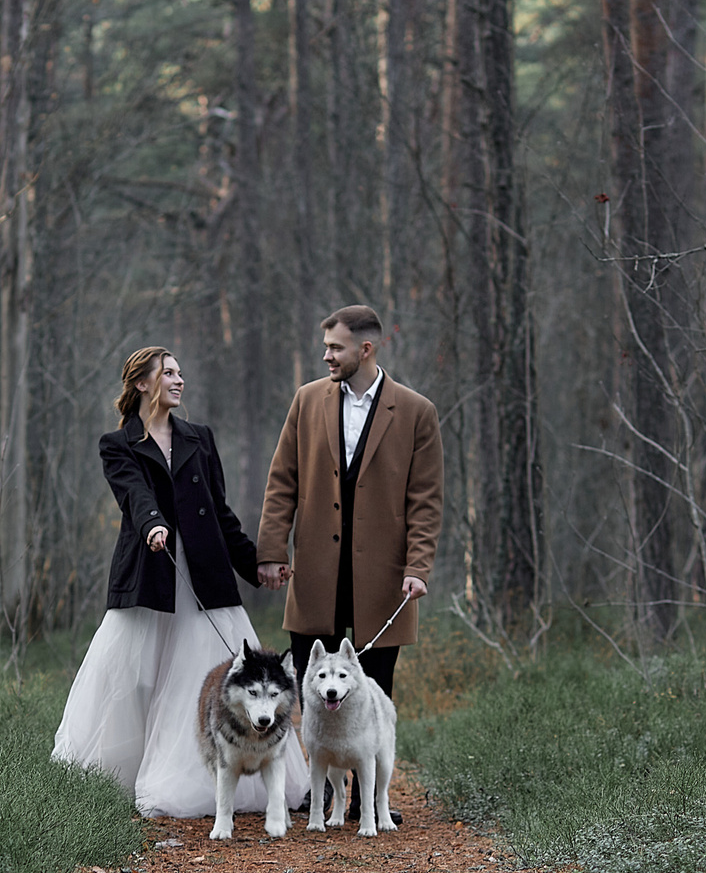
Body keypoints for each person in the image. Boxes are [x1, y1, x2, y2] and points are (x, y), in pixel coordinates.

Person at [53, 346, 307, 818]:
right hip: (149, 575)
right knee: (136, 681)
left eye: (180, 372)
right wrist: (153, 524)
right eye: (168, 372)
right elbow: (133, 493)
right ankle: (118, 778)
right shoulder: (118, 443)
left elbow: (221, 513)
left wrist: (256, 565)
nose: (178, 379)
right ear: (142, 383)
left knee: (198, 678)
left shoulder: (200, 438)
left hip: (206, 580)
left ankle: (203, 783)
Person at [257, 305, 442, 703]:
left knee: (372, 696)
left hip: (383, 578)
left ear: (366, 349)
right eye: (326, 347)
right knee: (312, 693)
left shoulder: (416, 412)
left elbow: (425, 501)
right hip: (315, 572)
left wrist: (418, 567)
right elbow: (282, 481)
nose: (326, 356)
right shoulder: (307, 400)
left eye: (335, 348)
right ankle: (318, 750)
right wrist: (271, 551)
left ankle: (370, 751)